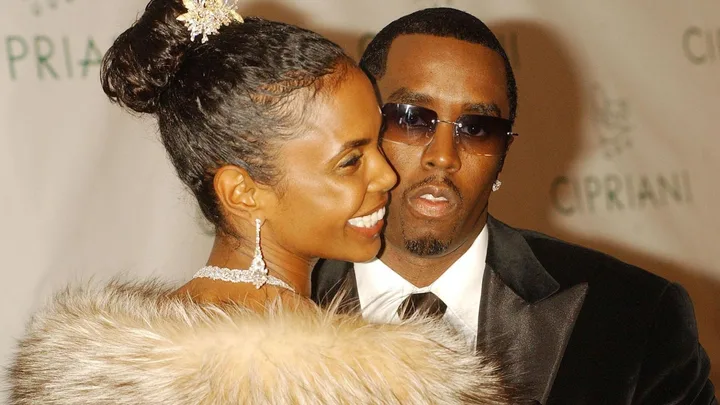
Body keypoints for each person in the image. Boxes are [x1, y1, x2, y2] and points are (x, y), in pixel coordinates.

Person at [7, 1, 517, 404]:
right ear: (242, 192)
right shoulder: (395, 385)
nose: (386, 174)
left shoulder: (96, 367)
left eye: (376, 144)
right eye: (350, 161)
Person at [312, 7, 717, 405]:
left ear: (505, 150)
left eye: (477, 128)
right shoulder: (273, 302)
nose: (443, 156)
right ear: (359, 126)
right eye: (413, 119)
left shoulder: (634, 315)